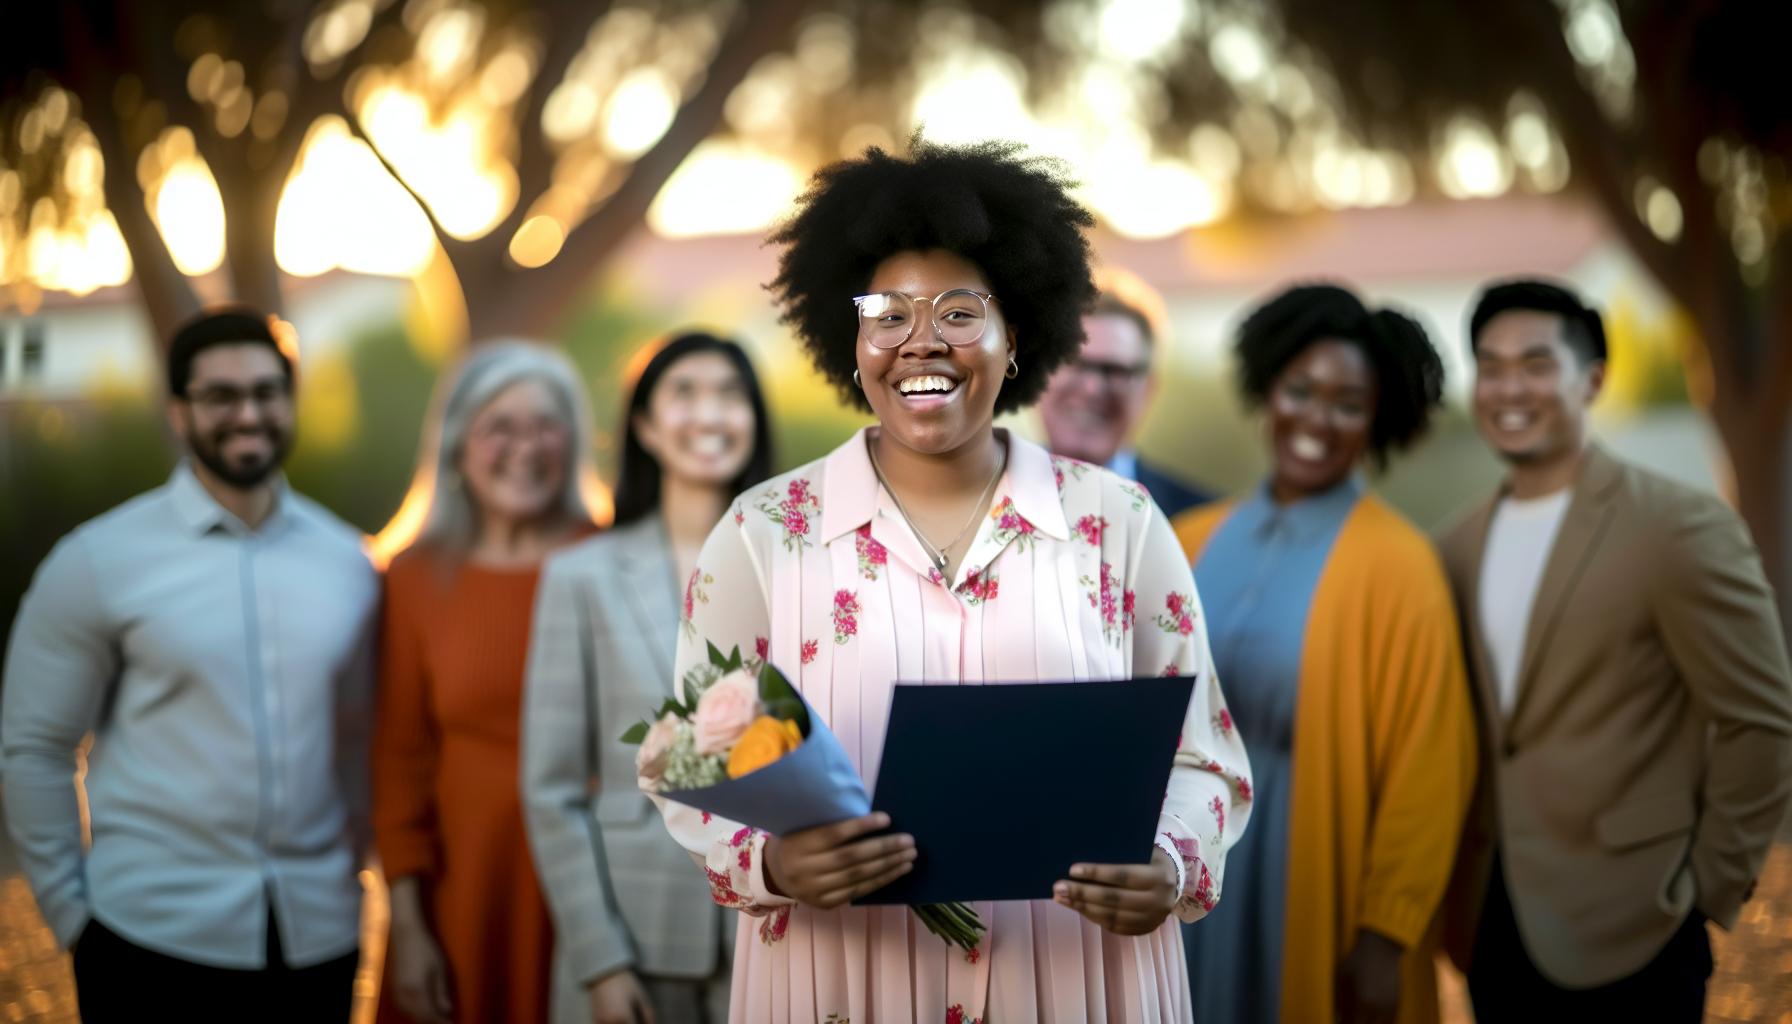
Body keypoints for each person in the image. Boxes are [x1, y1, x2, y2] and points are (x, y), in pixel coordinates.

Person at [648, 138, 1253, 1024]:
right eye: (887, 313)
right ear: (853, 340)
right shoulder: (763, 534)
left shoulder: (1120, 524)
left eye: (961, 313)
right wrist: (770, 863)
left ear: (1018, 339)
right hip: (844, 978)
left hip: (1073, 976)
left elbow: (1204, 756)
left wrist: (1169, 863)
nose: (921, 340)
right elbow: (693, 759)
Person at [1, 307, 377, 1022]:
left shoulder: (348, 562)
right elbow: (35, 747)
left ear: (290, 401)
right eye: (220, 396)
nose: (248, 414)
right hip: (149, 940)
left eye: (266, 392)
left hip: (319, 940)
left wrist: (359, 870)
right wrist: (72, 918)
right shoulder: (97, 560)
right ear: (178, 411)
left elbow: (361, 737)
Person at [1437, 279, 1792, 1020]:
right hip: (1494, 924)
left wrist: (1709, 889)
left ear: (1592, 380)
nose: (1510, 388)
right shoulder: (1454, 546)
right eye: (1491, 367)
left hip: (1640, 920)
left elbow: (1760, 718)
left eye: (1537, 364)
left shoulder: (1677, 525)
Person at [1173, 284, 1477, 1024]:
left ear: (1378, 420)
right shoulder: (1187, 540)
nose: (1316, 418)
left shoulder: (1401, 567)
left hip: (1314, 879)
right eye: (1300, 390)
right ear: (1267, 389)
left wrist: (1386, 934)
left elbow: (1430, 767)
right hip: (1181, 879)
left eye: (1348, 403)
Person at [523, 331, 773, 1024]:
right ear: (644, 426)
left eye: (730, 395)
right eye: (684, 393)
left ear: (754, 421)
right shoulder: (580, 576)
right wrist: (598, 960)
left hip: (772, 924)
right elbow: (550, 790)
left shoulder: (799, 566)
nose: (709, 413)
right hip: (634, 933)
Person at [372, 341, 598, 1024]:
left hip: (593, 887)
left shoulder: (611, 559)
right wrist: (407, 922)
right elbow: (400, 761)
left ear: (573, 441)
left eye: (545, 425)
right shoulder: (413, 577)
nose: (524, 447)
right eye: (500, 426)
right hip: (461, 890)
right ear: (456, 444)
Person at [1037, 266, 1212, 517]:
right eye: (1075, 363)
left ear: (1148, 388)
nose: (1092, 388)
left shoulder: (1200, 521)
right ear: (1039, 373)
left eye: (1115, 370)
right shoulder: (984, 498)